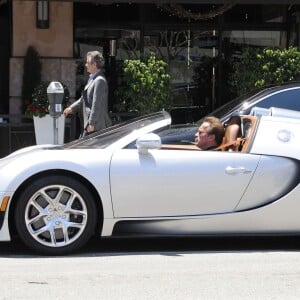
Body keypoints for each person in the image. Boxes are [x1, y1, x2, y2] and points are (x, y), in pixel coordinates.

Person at [64, 50, 112, 137]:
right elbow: (83, 99)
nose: (86, 65)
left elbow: (96, 103)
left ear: (94, 65)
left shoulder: (99, 80)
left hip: (96, 126)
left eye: (88, 62)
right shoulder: (93, 79)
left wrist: (92, 123)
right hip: (90, 124)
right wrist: (71, 108)